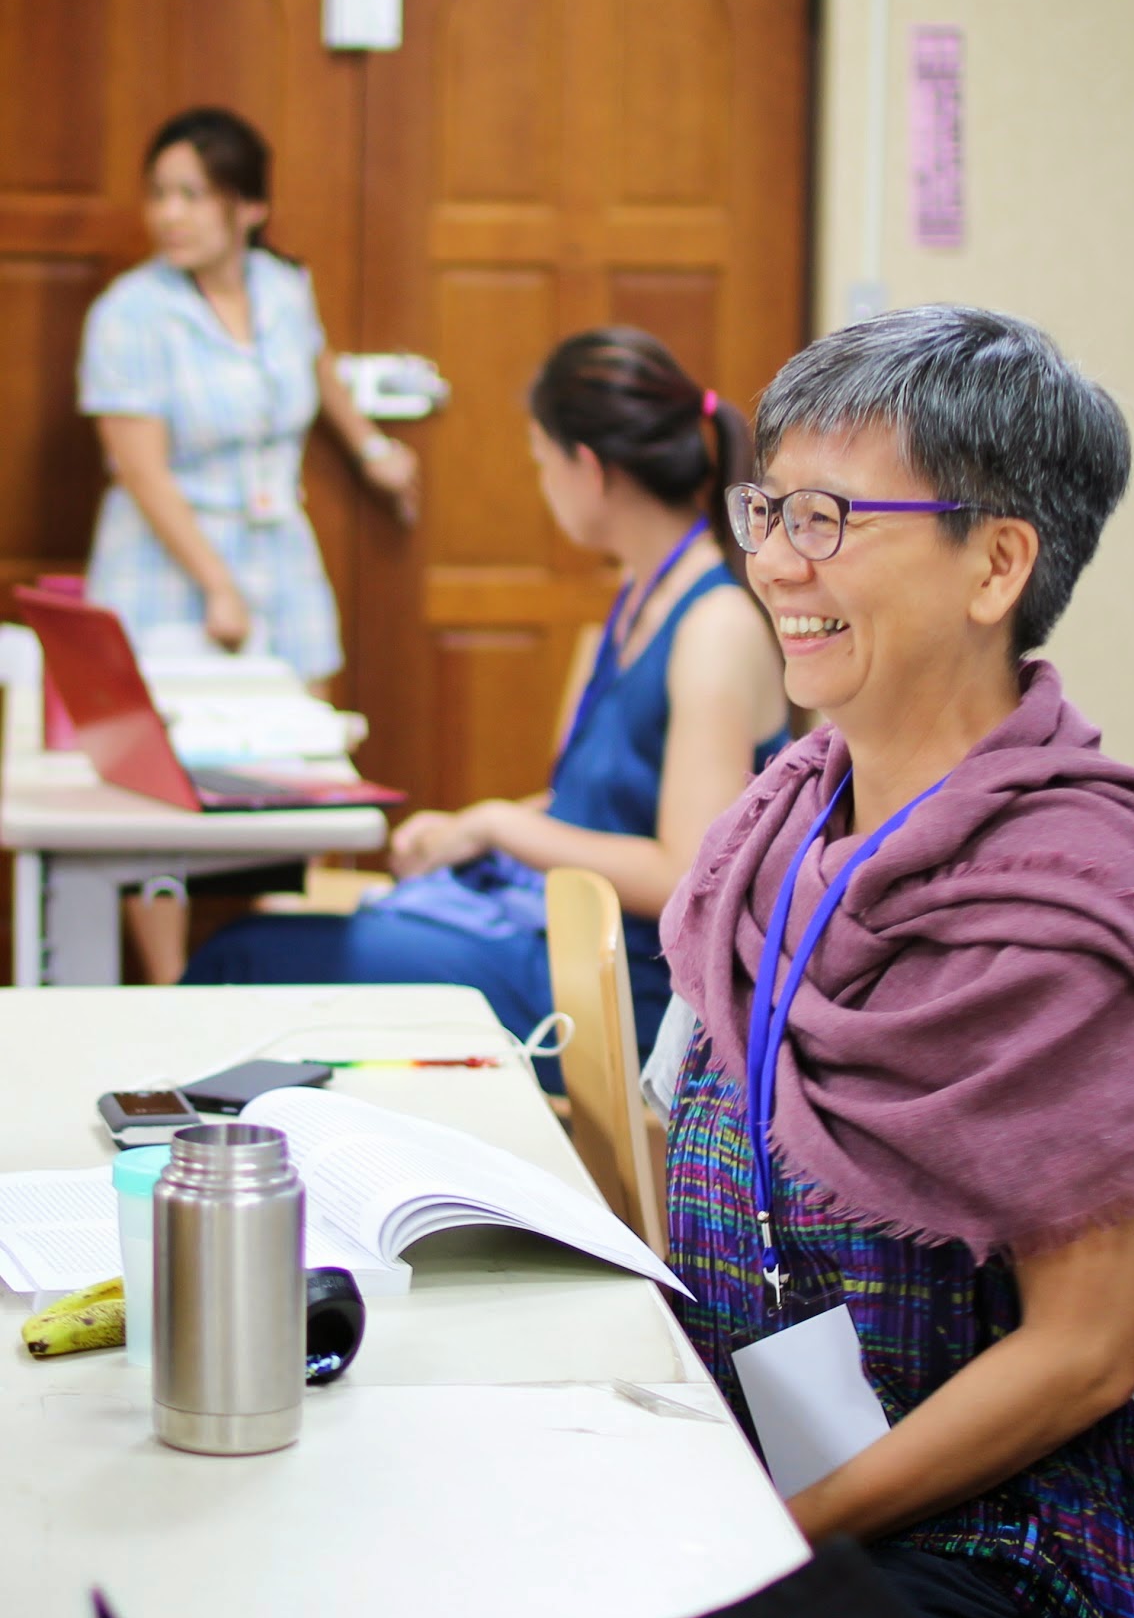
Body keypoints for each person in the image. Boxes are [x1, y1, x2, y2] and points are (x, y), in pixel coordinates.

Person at [649, 306, 1134, 1618]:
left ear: (997, 563)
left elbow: (1080, 1357)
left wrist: (774, 1531)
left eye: (829, 517)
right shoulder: (777, 829)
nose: (775, 561)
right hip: (772, 1467)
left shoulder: (1072, 893)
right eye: (768, 507)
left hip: (1033, 1553)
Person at [182, 328, 789, 1070]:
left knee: (243, 957)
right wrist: (469, 832)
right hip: (556, 940)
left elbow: (679, 873)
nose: (542, 484)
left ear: (587, 468)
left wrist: (498, 824)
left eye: (540, 463)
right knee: (269, 939)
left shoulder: (715, 626)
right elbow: (594, 809)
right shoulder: (639, 597)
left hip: (617, 991)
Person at [77, 107, 419, 983]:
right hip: (166, 566)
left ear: (249, 207)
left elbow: (316, 367)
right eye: (160, 194)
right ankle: (166, 982)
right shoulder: (129, 313)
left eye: (193, 194)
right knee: (159, 786)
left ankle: (277, 962)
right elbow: (140, 468)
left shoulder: (281, 287)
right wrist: (216, 585)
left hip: (279, 555)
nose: (169, 214)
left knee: (298, 764)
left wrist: (372, 451)